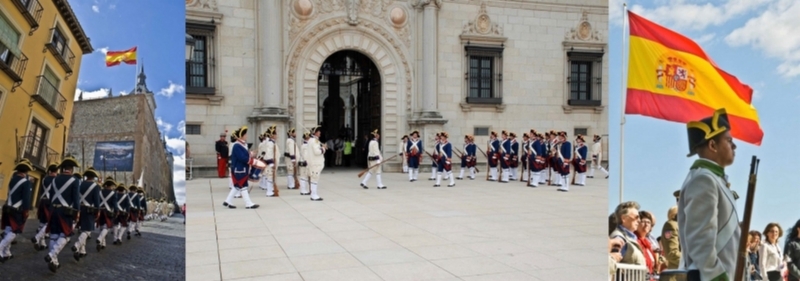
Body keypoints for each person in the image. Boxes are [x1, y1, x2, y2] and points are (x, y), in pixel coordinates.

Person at [677, 108, 739, 281]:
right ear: (712, 145)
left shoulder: (713, 179)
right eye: (728, 140)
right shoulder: (704, 179)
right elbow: (700, 241)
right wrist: (717, 276)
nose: (734, 145)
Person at [45, 156, 82, 272]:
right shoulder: (75, 181)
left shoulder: (55, 179)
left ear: (63, 168)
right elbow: (76, 199)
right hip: (65, 212)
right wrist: (77, 212)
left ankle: (54, 261)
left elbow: (51, 196)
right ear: (72, 169)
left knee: (54, 235)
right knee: (66, 235)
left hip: (53, 209)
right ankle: (51, 255)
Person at [0, 159, 33, 262]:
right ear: (26, 171)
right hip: (17, 210)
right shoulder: (26, 183)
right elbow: (26, 199)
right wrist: (26, 210)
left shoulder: (12, 179)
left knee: (9, 229)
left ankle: (6, 252)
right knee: (15, 231)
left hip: (8, 207)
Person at [222, 126, 260, 209]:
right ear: (241, 135)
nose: (246, 135)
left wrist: (251, 154)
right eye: (245, 134)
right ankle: (248, 203)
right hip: (239, 169)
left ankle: (228, 201)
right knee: (243, 186)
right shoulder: (237, 145)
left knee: (237, 186)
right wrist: (253, 161)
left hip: (242, 168)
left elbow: (245, 155)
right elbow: (242, 157)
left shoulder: (242, 145)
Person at [71, 167, 100, 261]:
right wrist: (97, 210)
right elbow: (96, 200)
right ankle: (77, 245)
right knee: (87, 230)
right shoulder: (95, 186)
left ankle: (82, 251)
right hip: (88, 209)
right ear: (93, 177)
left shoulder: (80, 183)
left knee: (83, 229)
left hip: (79, 208)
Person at [610, 201, 646, 266]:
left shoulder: (628, 237)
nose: (639, 220)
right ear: (624, 218)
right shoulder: (618, 238)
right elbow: (612, 264)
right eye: (636, 217)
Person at [32, 163, 58, 251]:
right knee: (48, 223)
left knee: (42, 222)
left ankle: (42, 243)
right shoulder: (56, 180)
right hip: (49, 202)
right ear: (56, 171)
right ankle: (37, 237)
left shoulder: (44, 179)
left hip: (42, 201)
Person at [95, 177, 118, 251]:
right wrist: (116, 211)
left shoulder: (100, 192)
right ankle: (99, 238)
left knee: (101, 227)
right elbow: (114, 204)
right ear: (111, 185)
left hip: (100, 210)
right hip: (107, 211)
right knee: (107, 227)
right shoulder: (113, 193)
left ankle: (102, 244)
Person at [307, 126, 327, 201]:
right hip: (315, 163)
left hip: (314, 163)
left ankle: (314, 194)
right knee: (314, 179)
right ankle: (314, 195)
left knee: (314, 179)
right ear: (315, 132)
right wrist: (323, 148)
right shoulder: (314, 141)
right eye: (318, 131)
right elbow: (317, 152)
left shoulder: (313, 140)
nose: (320, 132)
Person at [260, 126, 280, 197]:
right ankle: (269, 191)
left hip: (273, 162)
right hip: (270, 163)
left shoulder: (273, 143)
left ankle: (271, 189)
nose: (276, 135)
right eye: (275, 134)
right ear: (272, 135)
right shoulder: (270, 143)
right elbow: (268, 154)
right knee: (270, 177)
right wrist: (272, 164)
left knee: (272, 177)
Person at [661, 206, 681, 272]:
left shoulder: (683, 226)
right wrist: (693, 260)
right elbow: (671, 253)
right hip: (678, 273)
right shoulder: (671, 225)